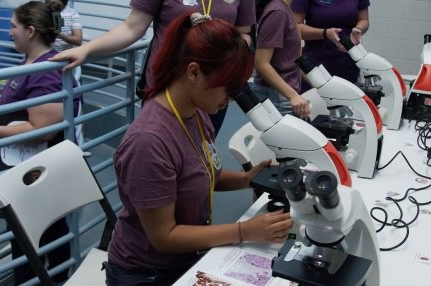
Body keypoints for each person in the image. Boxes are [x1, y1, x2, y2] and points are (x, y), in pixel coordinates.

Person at [102, 12, 293, 286]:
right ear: (193, 72)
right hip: (146, 272)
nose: (228, 100)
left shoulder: (195, 113)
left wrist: (245, 179)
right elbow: (164, 236)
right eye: (226, 89)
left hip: (186, 257)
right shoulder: (149, 142)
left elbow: (201, 173)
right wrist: (244, 230)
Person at [0, 1, 80, 284]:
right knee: (33, 232)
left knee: (40, 233)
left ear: (30, 31)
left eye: (13, 26)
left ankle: (51, 279)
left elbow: (42, 130)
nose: (9, 32)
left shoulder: (46, 70)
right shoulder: (32, 64)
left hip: (34, 172)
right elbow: (10, 102)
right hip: (26, 169)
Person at [50, 0, 255, 137]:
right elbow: (132, 27)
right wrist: (87, 49)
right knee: (159, 147)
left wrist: (230, 55)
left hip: (214, 85)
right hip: (167, 87)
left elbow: (243, 32)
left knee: (202, 156)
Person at [290, 0, 370, 92]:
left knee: (348, 100)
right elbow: (294, 28)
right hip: (316, 65)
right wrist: (325, 33)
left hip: (348, 62)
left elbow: (364, 19)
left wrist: (358, 29)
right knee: (317, 102)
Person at [252, 0, 310, 119]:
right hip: (277, 97)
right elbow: (261, 63)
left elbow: (290, 59)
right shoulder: (277, 11)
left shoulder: (283, 7)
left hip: (282, 93)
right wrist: (293, 96)